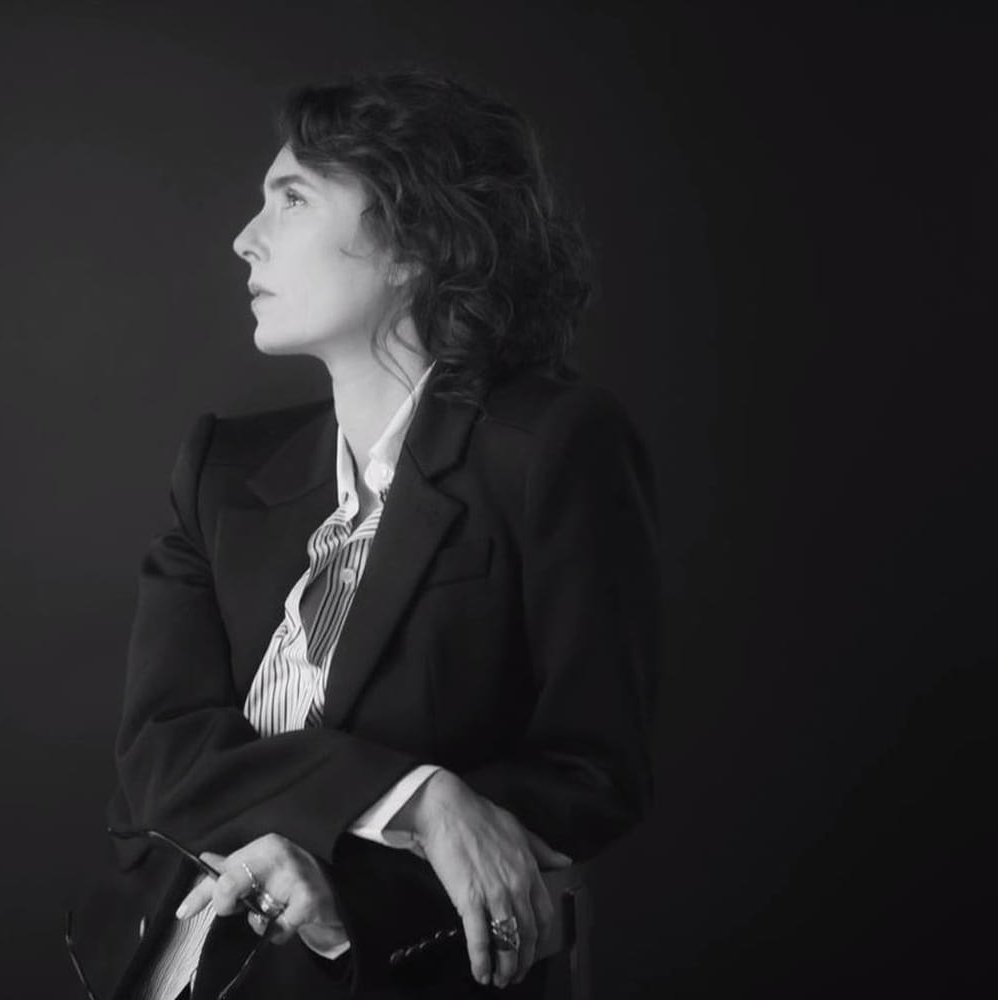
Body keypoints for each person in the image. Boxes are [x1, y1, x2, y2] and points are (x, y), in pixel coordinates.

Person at [65, 70, 660, 999]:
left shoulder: (551, 448)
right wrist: (414, 796)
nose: (245, 237)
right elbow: (160, 756)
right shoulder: (222, 469)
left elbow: (591, 771)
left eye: (292, 199)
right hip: (163, 970)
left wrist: (345, 883)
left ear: (413, 242)